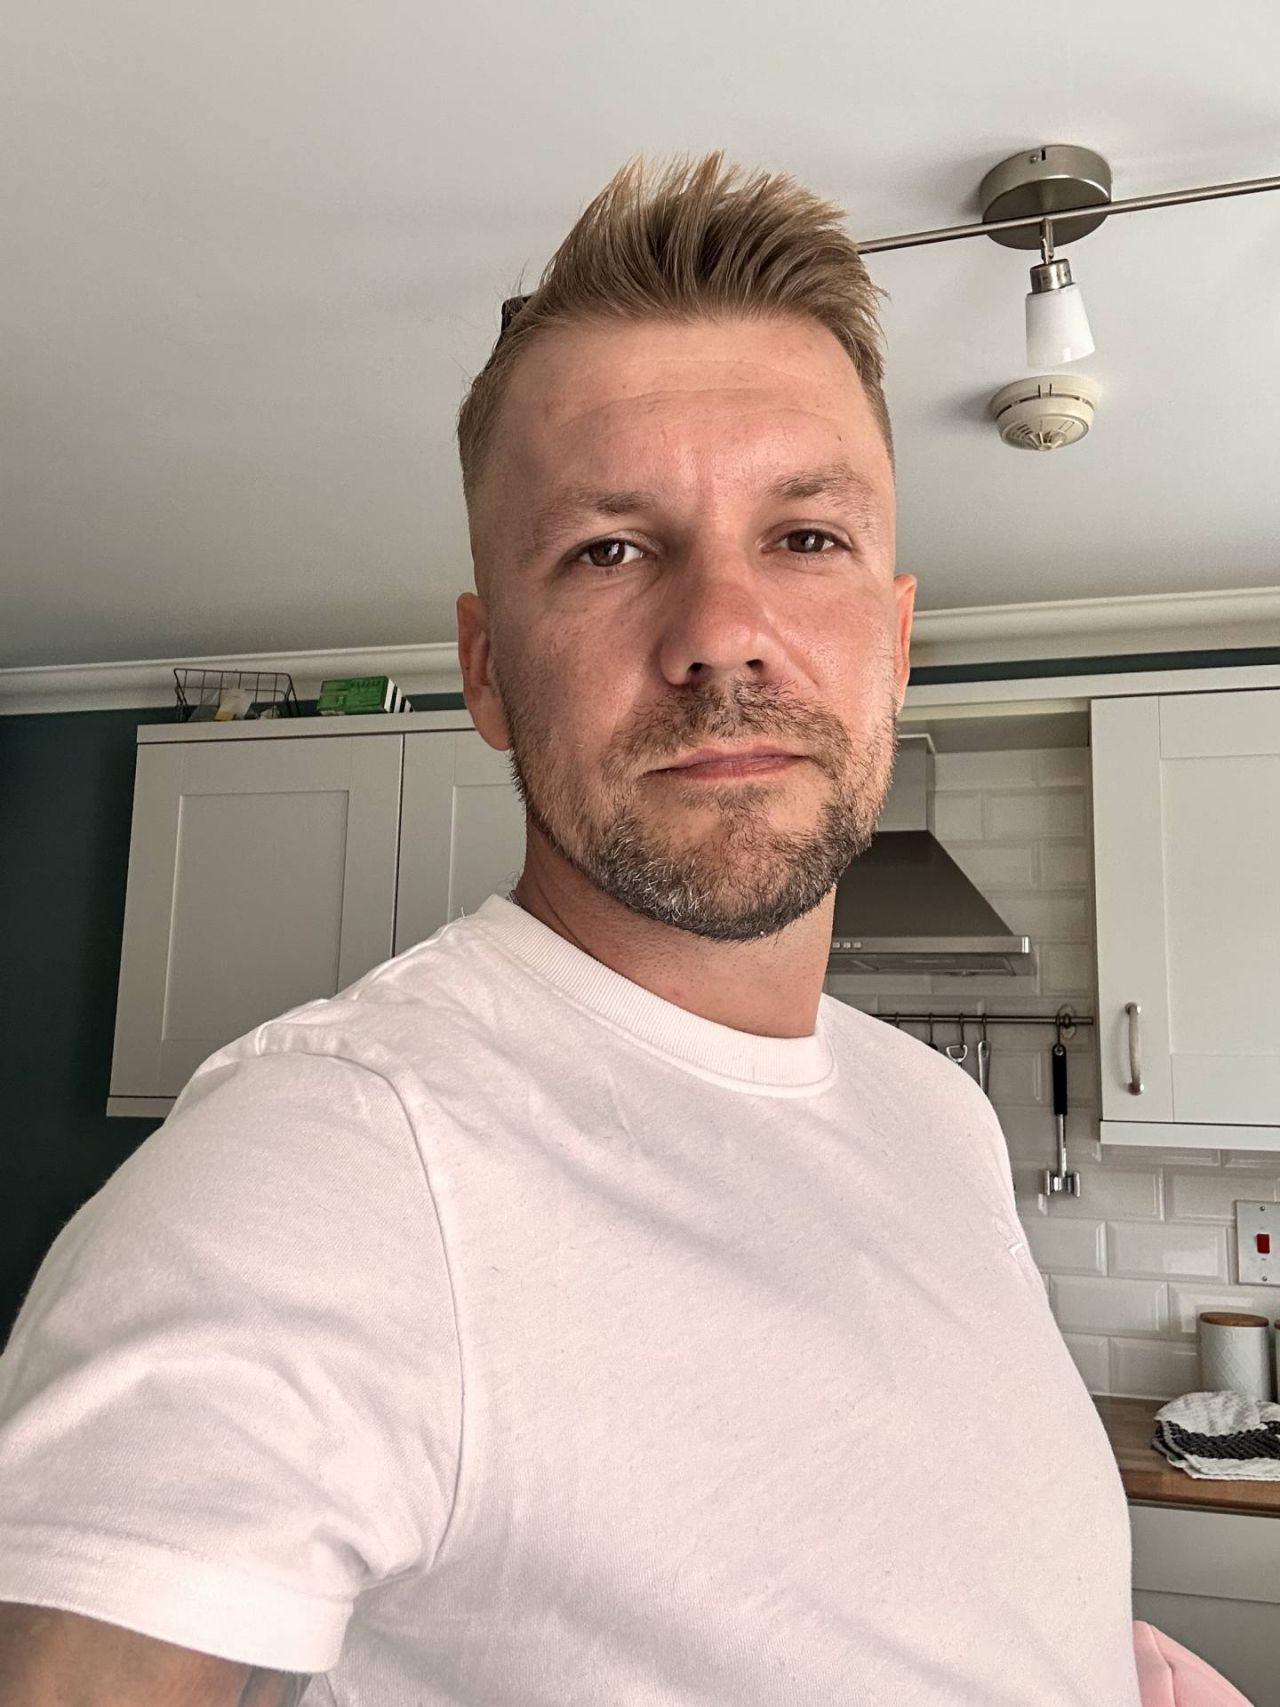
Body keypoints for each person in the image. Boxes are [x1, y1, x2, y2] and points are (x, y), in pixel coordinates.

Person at [0, 151, 1147, 1706]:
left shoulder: (936, 1117)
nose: (721, 633)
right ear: (486, 672)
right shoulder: (335, 1167)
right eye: (610, 549)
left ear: (894, 642)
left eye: (807, 538)